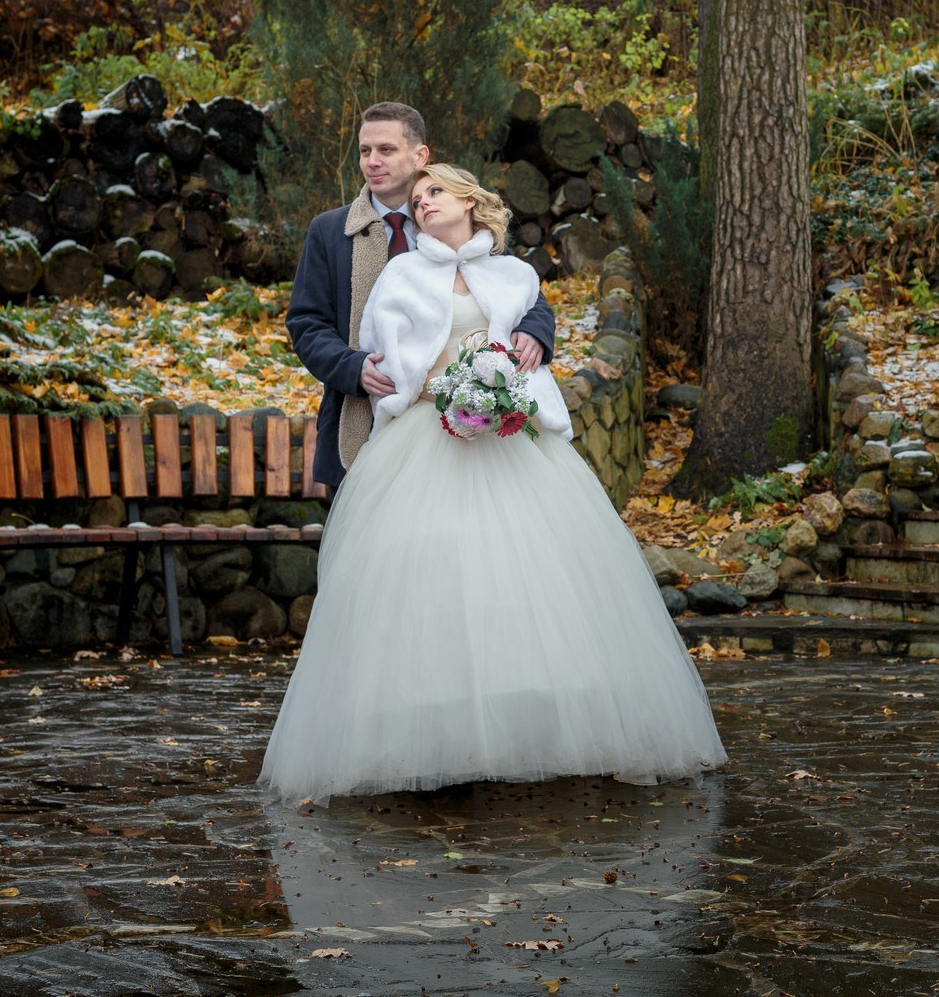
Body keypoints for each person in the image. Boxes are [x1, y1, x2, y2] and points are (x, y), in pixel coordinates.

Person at [260, 164, 725, 804]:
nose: (423, 203)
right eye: (417, 199)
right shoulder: (401, 274)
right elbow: (384, 352)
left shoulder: (512, 273)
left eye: (435, 193)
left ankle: (535, 723)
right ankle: (432, 729)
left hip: (510, 438)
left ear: (470, 202)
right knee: (433, 578)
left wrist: (521, 355)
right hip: (427, 434)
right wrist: (440, 388)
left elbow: (533, 325)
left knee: (534, 575)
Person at [285, 102, 556, 495]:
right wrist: (352, 368)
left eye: (386, 150)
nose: (372, 162)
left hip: (472, 425)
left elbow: (518, 288)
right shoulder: (331, 231)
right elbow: (306, 322)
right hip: (365, 414)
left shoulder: (452, 219)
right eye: (364, 151)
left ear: (420, 155)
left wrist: (534, 329)